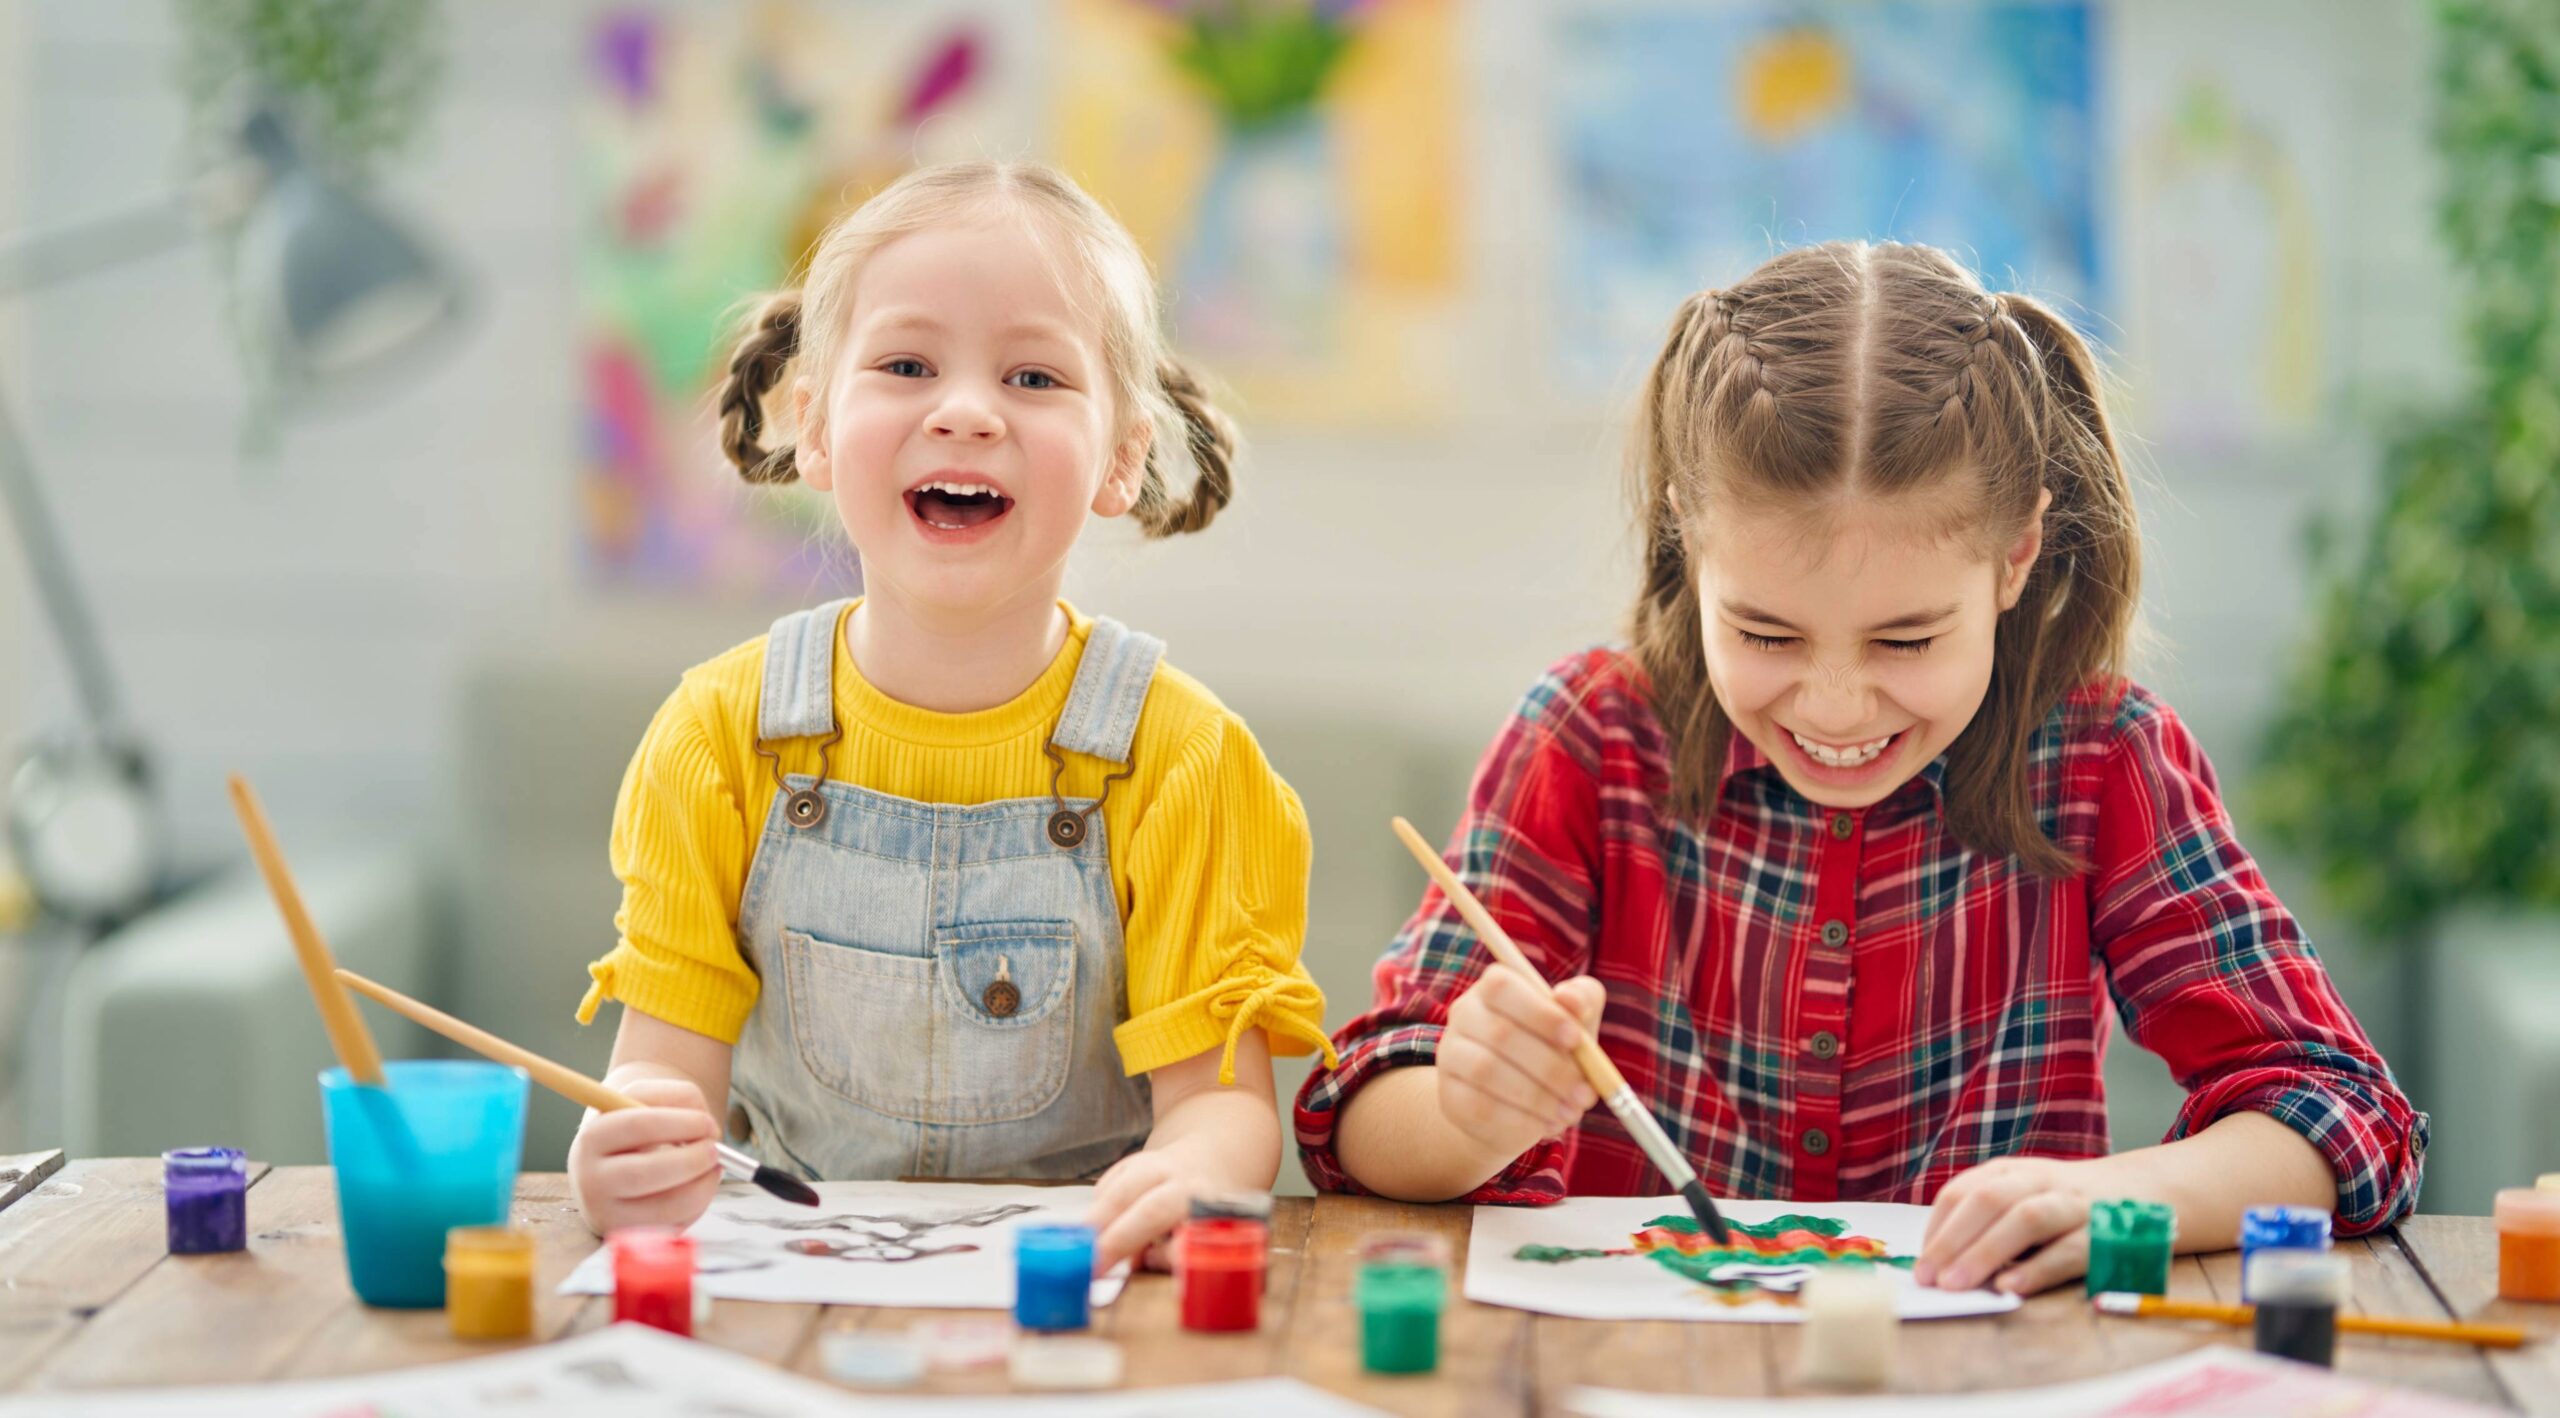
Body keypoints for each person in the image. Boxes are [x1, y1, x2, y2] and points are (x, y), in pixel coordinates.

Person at [1297, 241, 2424, 1295]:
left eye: (1904, 641)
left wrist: (2131, 1196)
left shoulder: (2099, 756)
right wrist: (1463, 1113)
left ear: (2016, 556)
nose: (1835, 705)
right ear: (1689, 541)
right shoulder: (1588, 738)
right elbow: (1354, 1112)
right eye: (1769, 635)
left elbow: (2340, 1106)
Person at [569, 161, 1331, 1271]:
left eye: (1032, 375)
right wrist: (621, 1138)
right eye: (907, 363)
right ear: (814, 425)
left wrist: (1193, 1170)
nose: (967, 410)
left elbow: (1222, 1110)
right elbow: (660, 1072)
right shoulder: (716, 738)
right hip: (794, 1307)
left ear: (1121, 454)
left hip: (1077, 1301)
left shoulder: (1183, 759)